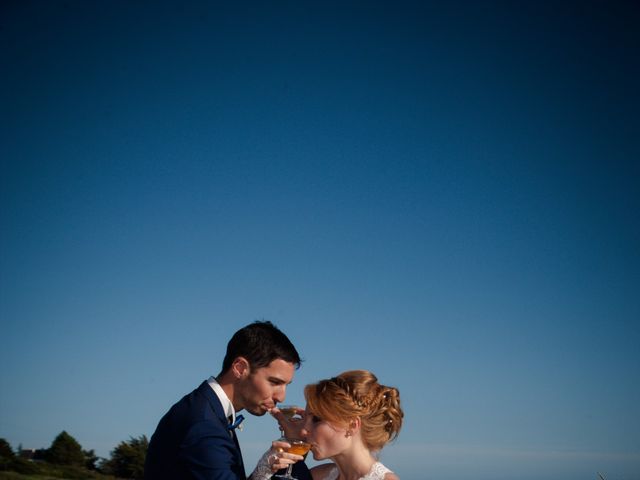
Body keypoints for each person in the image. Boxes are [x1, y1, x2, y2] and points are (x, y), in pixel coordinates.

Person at [144, 321, 312, 480]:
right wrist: (265, 469)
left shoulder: (206, 409)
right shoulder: (204, 425)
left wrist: (273, 463)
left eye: (286, 385)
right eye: (274, 382)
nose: (281, 396)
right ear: (240, 368)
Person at [251, 370, 403, 480]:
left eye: (316, 419)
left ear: (352, 424)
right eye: (305, 419)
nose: (304, 430)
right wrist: (268, 465)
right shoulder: (319, 475)